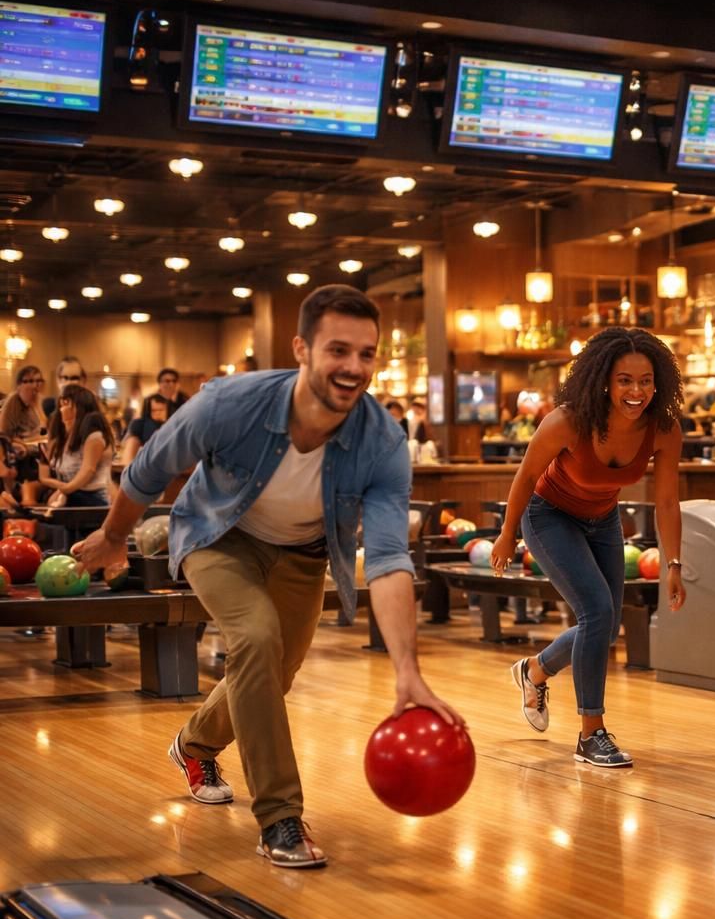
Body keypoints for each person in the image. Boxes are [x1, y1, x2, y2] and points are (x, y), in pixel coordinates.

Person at [71, 284, 462, 869]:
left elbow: (386, 559)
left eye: (366, 354)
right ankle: (280, 816)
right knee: (254, 637)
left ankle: (194, 744)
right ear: (302, 349)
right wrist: (113, 535)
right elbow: (150, 468)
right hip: (218, 536)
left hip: (304, 555)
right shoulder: (230, 403)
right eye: (338, 350)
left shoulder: (381, 441)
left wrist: (407, 672)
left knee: (274, 672)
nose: (353, 367)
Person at [490, 327, 686, 769]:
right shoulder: (568, 420)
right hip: (547, 516)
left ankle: (535, 671)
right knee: (598, 613)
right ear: (604, 380)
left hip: (603, 521)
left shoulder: (664, 430)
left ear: (658, 384)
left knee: (604, 621)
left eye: (645, 381)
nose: (636, 391)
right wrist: (507, 533)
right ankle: (590, 733)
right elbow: (524, 477)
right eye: (624, 380)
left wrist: (673, 562)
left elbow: (668, 501)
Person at [39, 384, 112, 507]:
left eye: (66, 404)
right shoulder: (63, 438)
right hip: (71, 494)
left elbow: (88, 470)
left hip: (93, 497)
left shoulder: (94, 436)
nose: (62, 410)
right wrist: (62, 490)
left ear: (79, 408)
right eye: (61, 405)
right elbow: (46, 476)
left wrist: (64, 490)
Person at [0, 365, 48, 504]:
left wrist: (36, 406)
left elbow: (45, 431)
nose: (34, 386)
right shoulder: (12, 403)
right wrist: (22, 444)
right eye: (29, 381)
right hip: (21, 458)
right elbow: (4, 436)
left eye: (38, 381)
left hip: (38, 452)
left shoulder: (38, 403)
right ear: (19, 385)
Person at [120, 392, 174, 464]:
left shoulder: (174, 424)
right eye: (154, 410)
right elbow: (129, 452)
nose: (157, 413)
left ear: (167, 410)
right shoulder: (140, 424)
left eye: (161, 410)